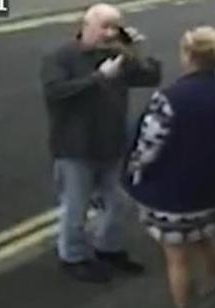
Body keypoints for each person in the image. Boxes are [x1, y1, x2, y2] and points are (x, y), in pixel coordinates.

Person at [123, 26, 215, 307]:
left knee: (177, 258)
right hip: (211, 190)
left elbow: (148, 148)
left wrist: (132, 173)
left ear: (188, 56)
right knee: (203, 237)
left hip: (170, 196)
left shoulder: (170, 99)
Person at [40, 3, 161, 283]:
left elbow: (151, 77)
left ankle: (108, 249)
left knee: (117, 203)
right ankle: (73, 257)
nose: (109, 34)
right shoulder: (60, 57)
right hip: (76, 147)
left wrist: (135, 51)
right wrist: (98, 78)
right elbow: (56, 92)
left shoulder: (118, 54)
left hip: (111, 143)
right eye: (104, 27)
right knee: (76, 207)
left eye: (115, 28)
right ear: (86, 26)